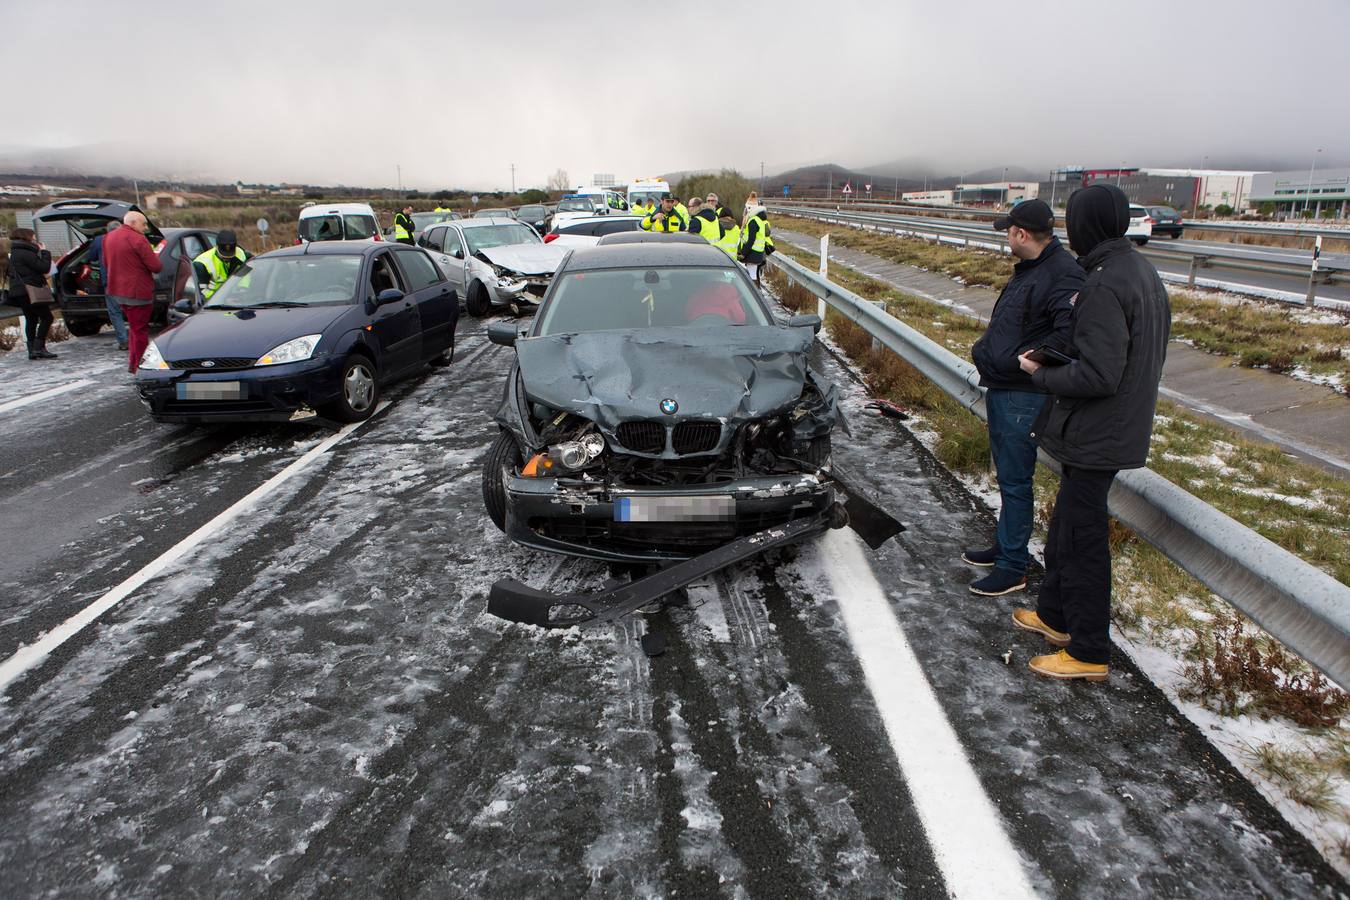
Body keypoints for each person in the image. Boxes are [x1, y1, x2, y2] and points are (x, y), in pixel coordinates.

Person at [1011, 183, 1170, 682]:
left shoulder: (1103, 284)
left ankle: (1088, 650)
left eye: (1073, 220)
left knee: (1081, 542)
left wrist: (1041, 374)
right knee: (1065, 529)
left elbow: (1100, 374)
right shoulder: (1137, 271)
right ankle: (1056, 618)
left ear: (1086, 225)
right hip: (1111, 425)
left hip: (1098, 430)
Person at [964, 199, 1081, 597]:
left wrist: (1028, 361)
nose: (1007, 238)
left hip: (1022, 393)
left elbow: (1068, 334)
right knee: (1008, 478)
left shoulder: (1061, 274)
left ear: (1021, 233)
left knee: (1016, 481)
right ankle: (1005, 546)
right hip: (1006, 387)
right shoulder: (1036, 270)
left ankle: (1012, 566)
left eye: (1009, 231)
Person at [104, 210, 163, 373]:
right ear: (133, 223)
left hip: (117, 290)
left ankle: (133, 363)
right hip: (137, 292)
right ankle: (141, 366)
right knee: (140, 330)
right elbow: (156, 266)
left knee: (134, 328)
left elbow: (105, 261)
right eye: (143, 224)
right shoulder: (138, 239)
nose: (146, 228)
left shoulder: (109, 237)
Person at [5, 228, 58, 359]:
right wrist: (44, 252)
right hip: (30, 291)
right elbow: (44, 267)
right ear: (26, 237)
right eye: (33, 236)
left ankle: (32, 350)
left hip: (20, 291)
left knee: (31, 319)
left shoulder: (14, 252)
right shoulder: (26, 252)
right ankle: (39, 348)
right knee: (47, 317)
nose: (34, 239)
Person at [87, 221, 128, 350]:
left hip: (110, 281)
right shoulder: (129, 239)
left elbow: (91, 257)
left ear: (107, 230)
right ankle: (137, 339)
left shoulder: (100, 240)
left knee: (115, 311)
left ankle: (124, 340)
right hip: (130, 281)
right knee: (133, 309)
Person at [192, 230, 250, 302]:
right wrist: (222, 299)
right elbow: (204, 291)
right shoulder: (201, 263)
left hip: (238, 300)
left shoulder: (241, 254)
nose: (227, 258)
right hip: (213, 303)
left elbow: (245, 277)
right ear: (216, 246)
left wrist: (242, 291)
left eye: (230, 256)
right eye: (224, 256)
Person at [738, 203, 769, 284]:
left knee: (751, 276)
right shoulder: (759, 220)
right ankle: (755, 292)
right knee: (753, 274)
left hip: (752, 253)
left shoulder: (753, 221)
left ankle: (754, 294)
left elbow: (751, 239)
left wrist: (743, 253)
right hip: (758, 252)